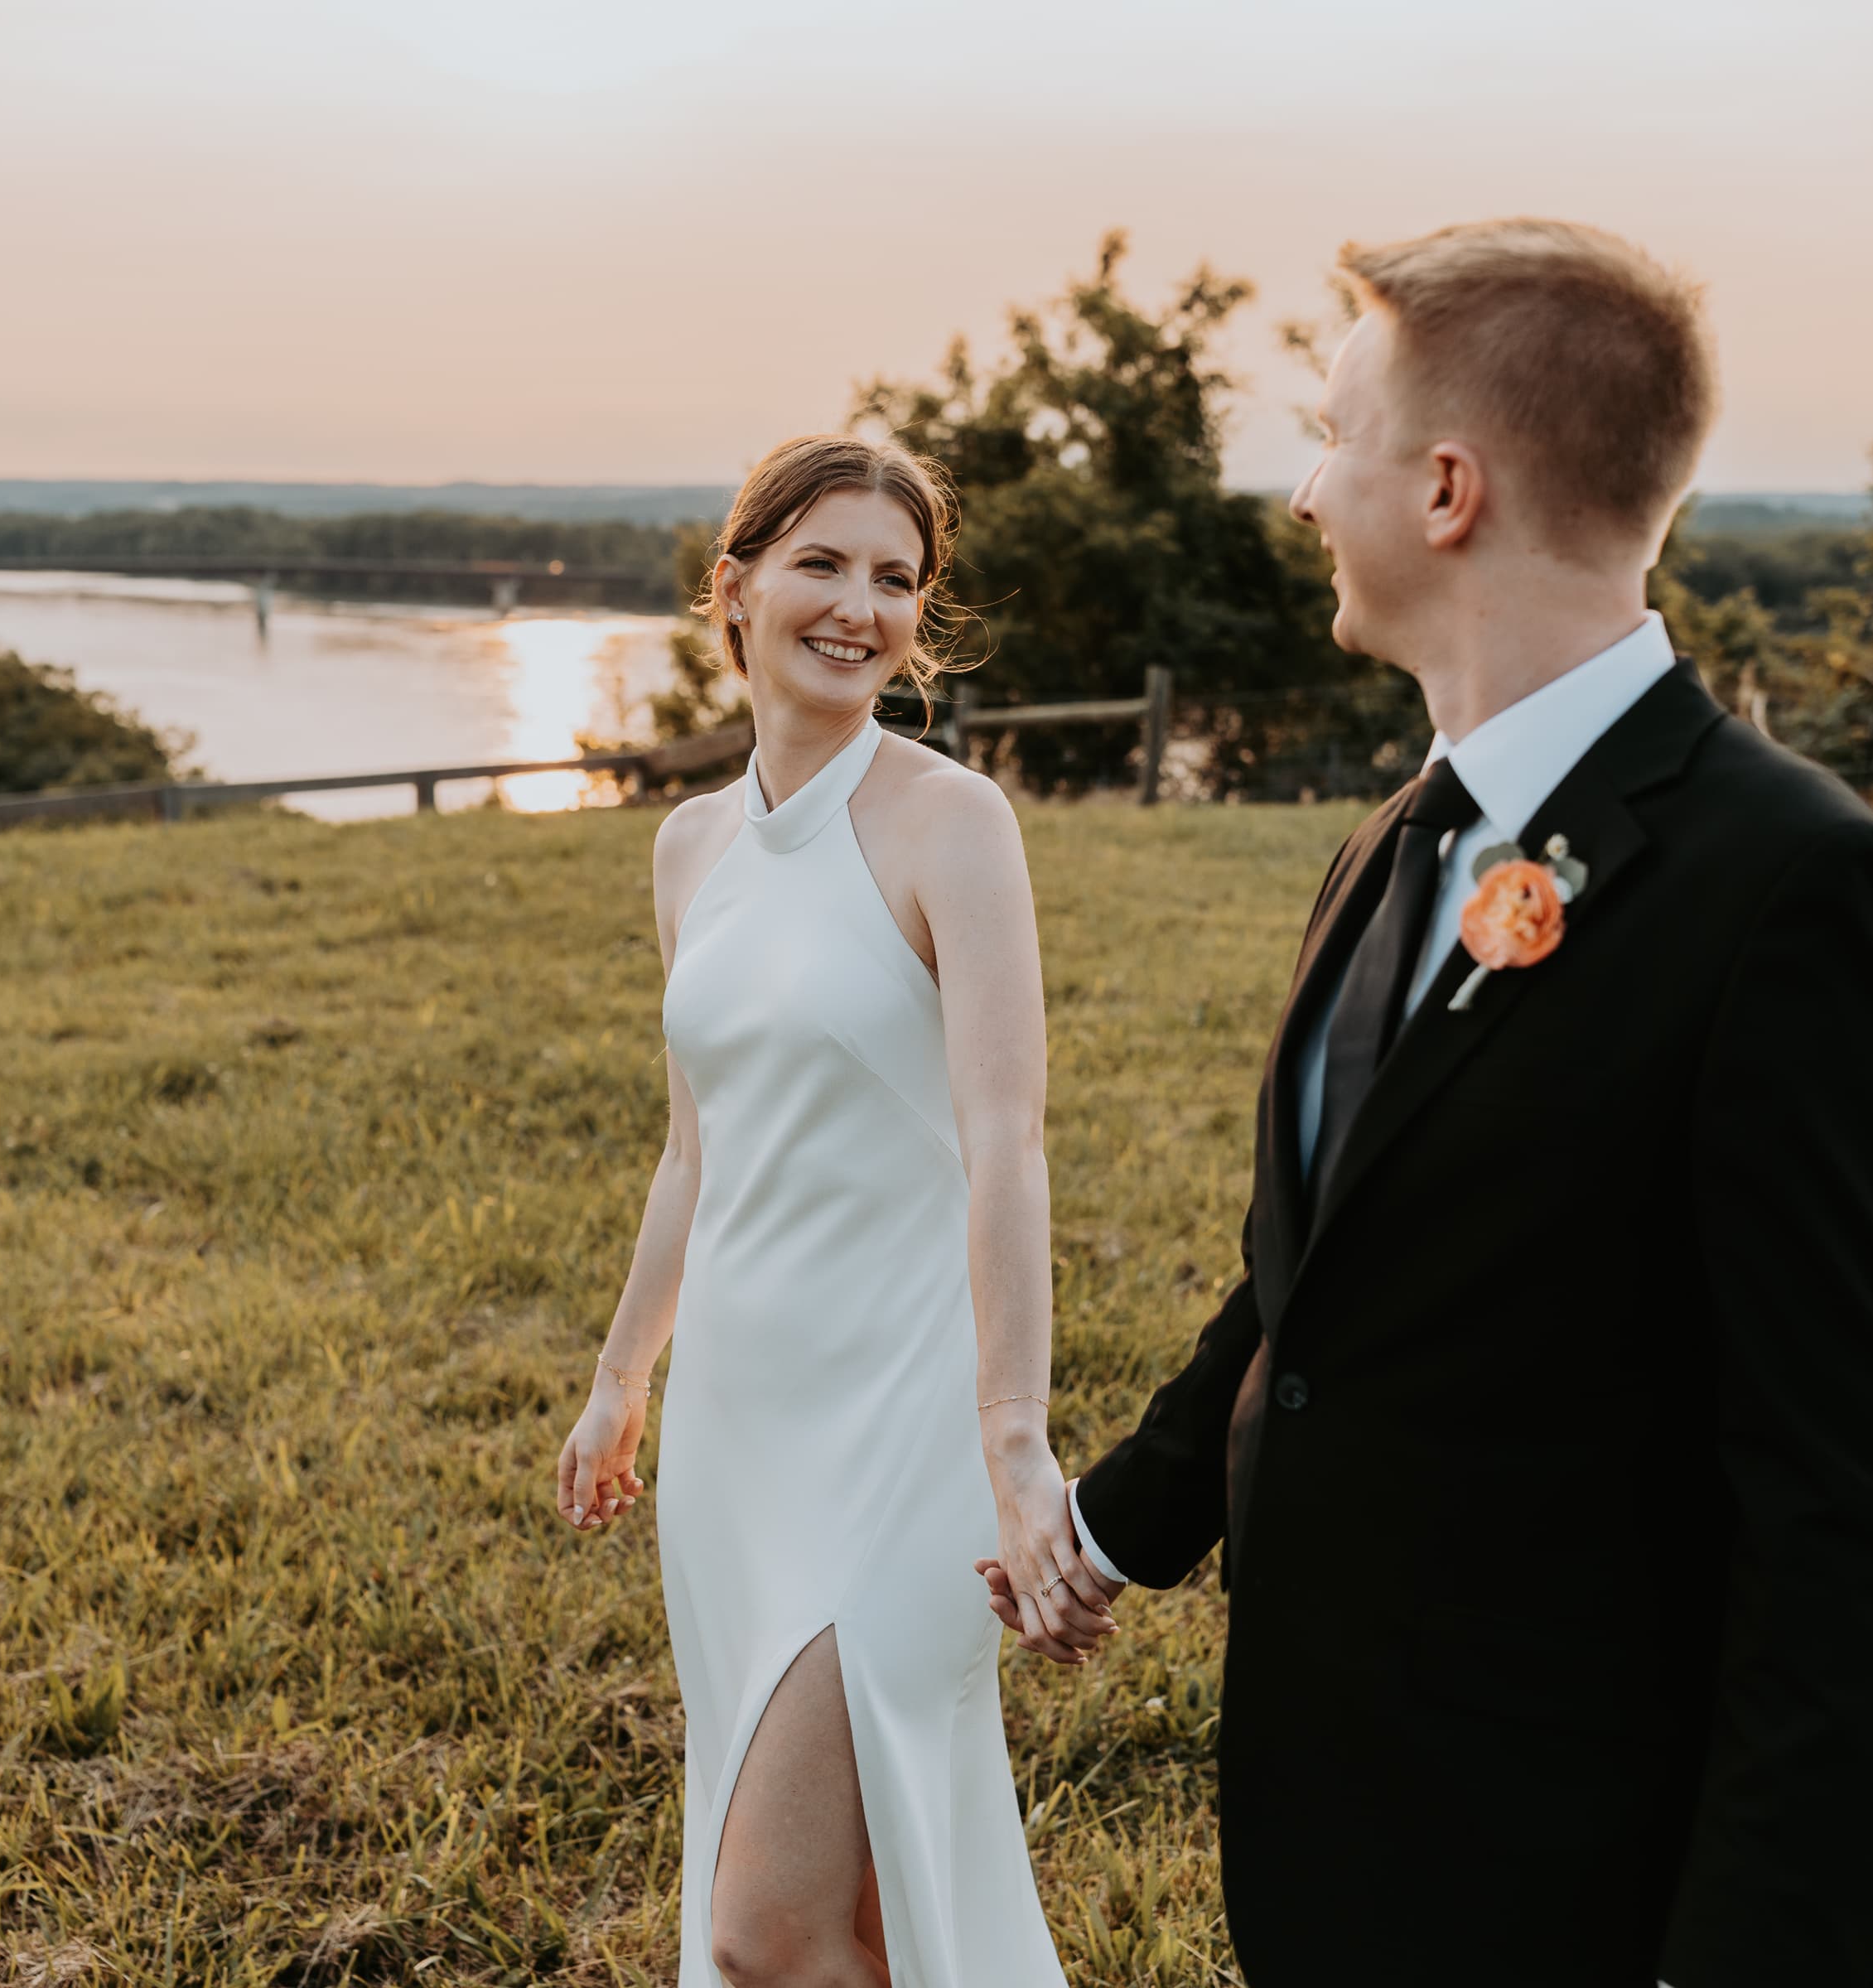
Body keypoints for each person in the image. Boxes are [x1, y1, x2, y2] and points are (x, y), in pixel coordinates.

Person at [986, 220, 1873, 1987]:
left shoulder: (1798, 891)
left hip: (1576, 1864)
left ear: (1447, 487)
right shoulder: (1394, 839)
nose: (1300, 494)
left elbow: (1851, 1513)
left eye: (1329, 435)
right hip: (1336, 1816)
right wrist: (1124, 1522)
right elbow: (1329, 1262)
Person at [553, 435, 1103, 1988]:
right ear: (733, 589)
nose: (859, 606)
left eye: (896, 578)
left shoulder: (953, 825)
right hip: (737, 1436)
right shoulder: (690, 849)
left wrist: (1013, 1438)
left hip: (902, 1436)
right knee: (853, 1921)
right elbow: (694, 1151)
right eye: (823, 564)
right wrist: (620, 1378)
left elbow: (1008, 1146)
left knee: (764, 1931)